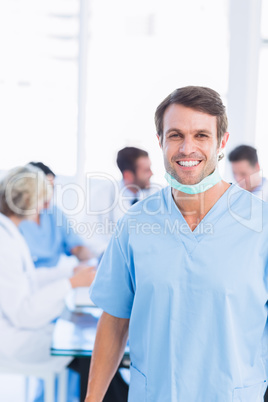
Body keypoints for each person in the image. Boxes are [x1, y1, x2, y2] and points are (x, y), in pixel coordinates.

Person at [85, 86, 268, 401]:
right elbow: (115, 319)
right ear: (160, 141)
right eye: (175, 135)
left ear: (221, 142)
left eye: (201, 135)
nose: (187, 148)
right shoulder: (135, 224)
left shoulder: (261, 224)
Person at [0, 166, 95, 373]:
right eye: (41, 201)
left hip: (22, 327)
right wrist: (70, 283)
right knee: (89, 353)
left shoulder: (9, 232)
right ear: (27, 201)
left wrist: (70, 273)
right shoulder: (5, 242)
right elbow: (24, 314)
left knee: (91, 349)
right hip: (13, 340)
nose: (44, 208)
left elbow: (29, 278)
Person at [19, 161, 92, 271]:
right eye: (45, 189)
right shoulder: (15, 218)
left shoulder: (54, 213)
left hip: (55, 277)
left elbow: (77, 247)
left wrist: (91, 262)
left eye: (52, 188)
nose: (50, 194)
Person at [84, 147, 156, 257]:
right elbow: (90, 234)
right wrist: (111, 255)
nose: (151, 174)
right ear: (128, 175)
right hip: (113, 259)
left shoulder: (156, 195)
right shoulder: (103, 195)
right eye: (146, 170)